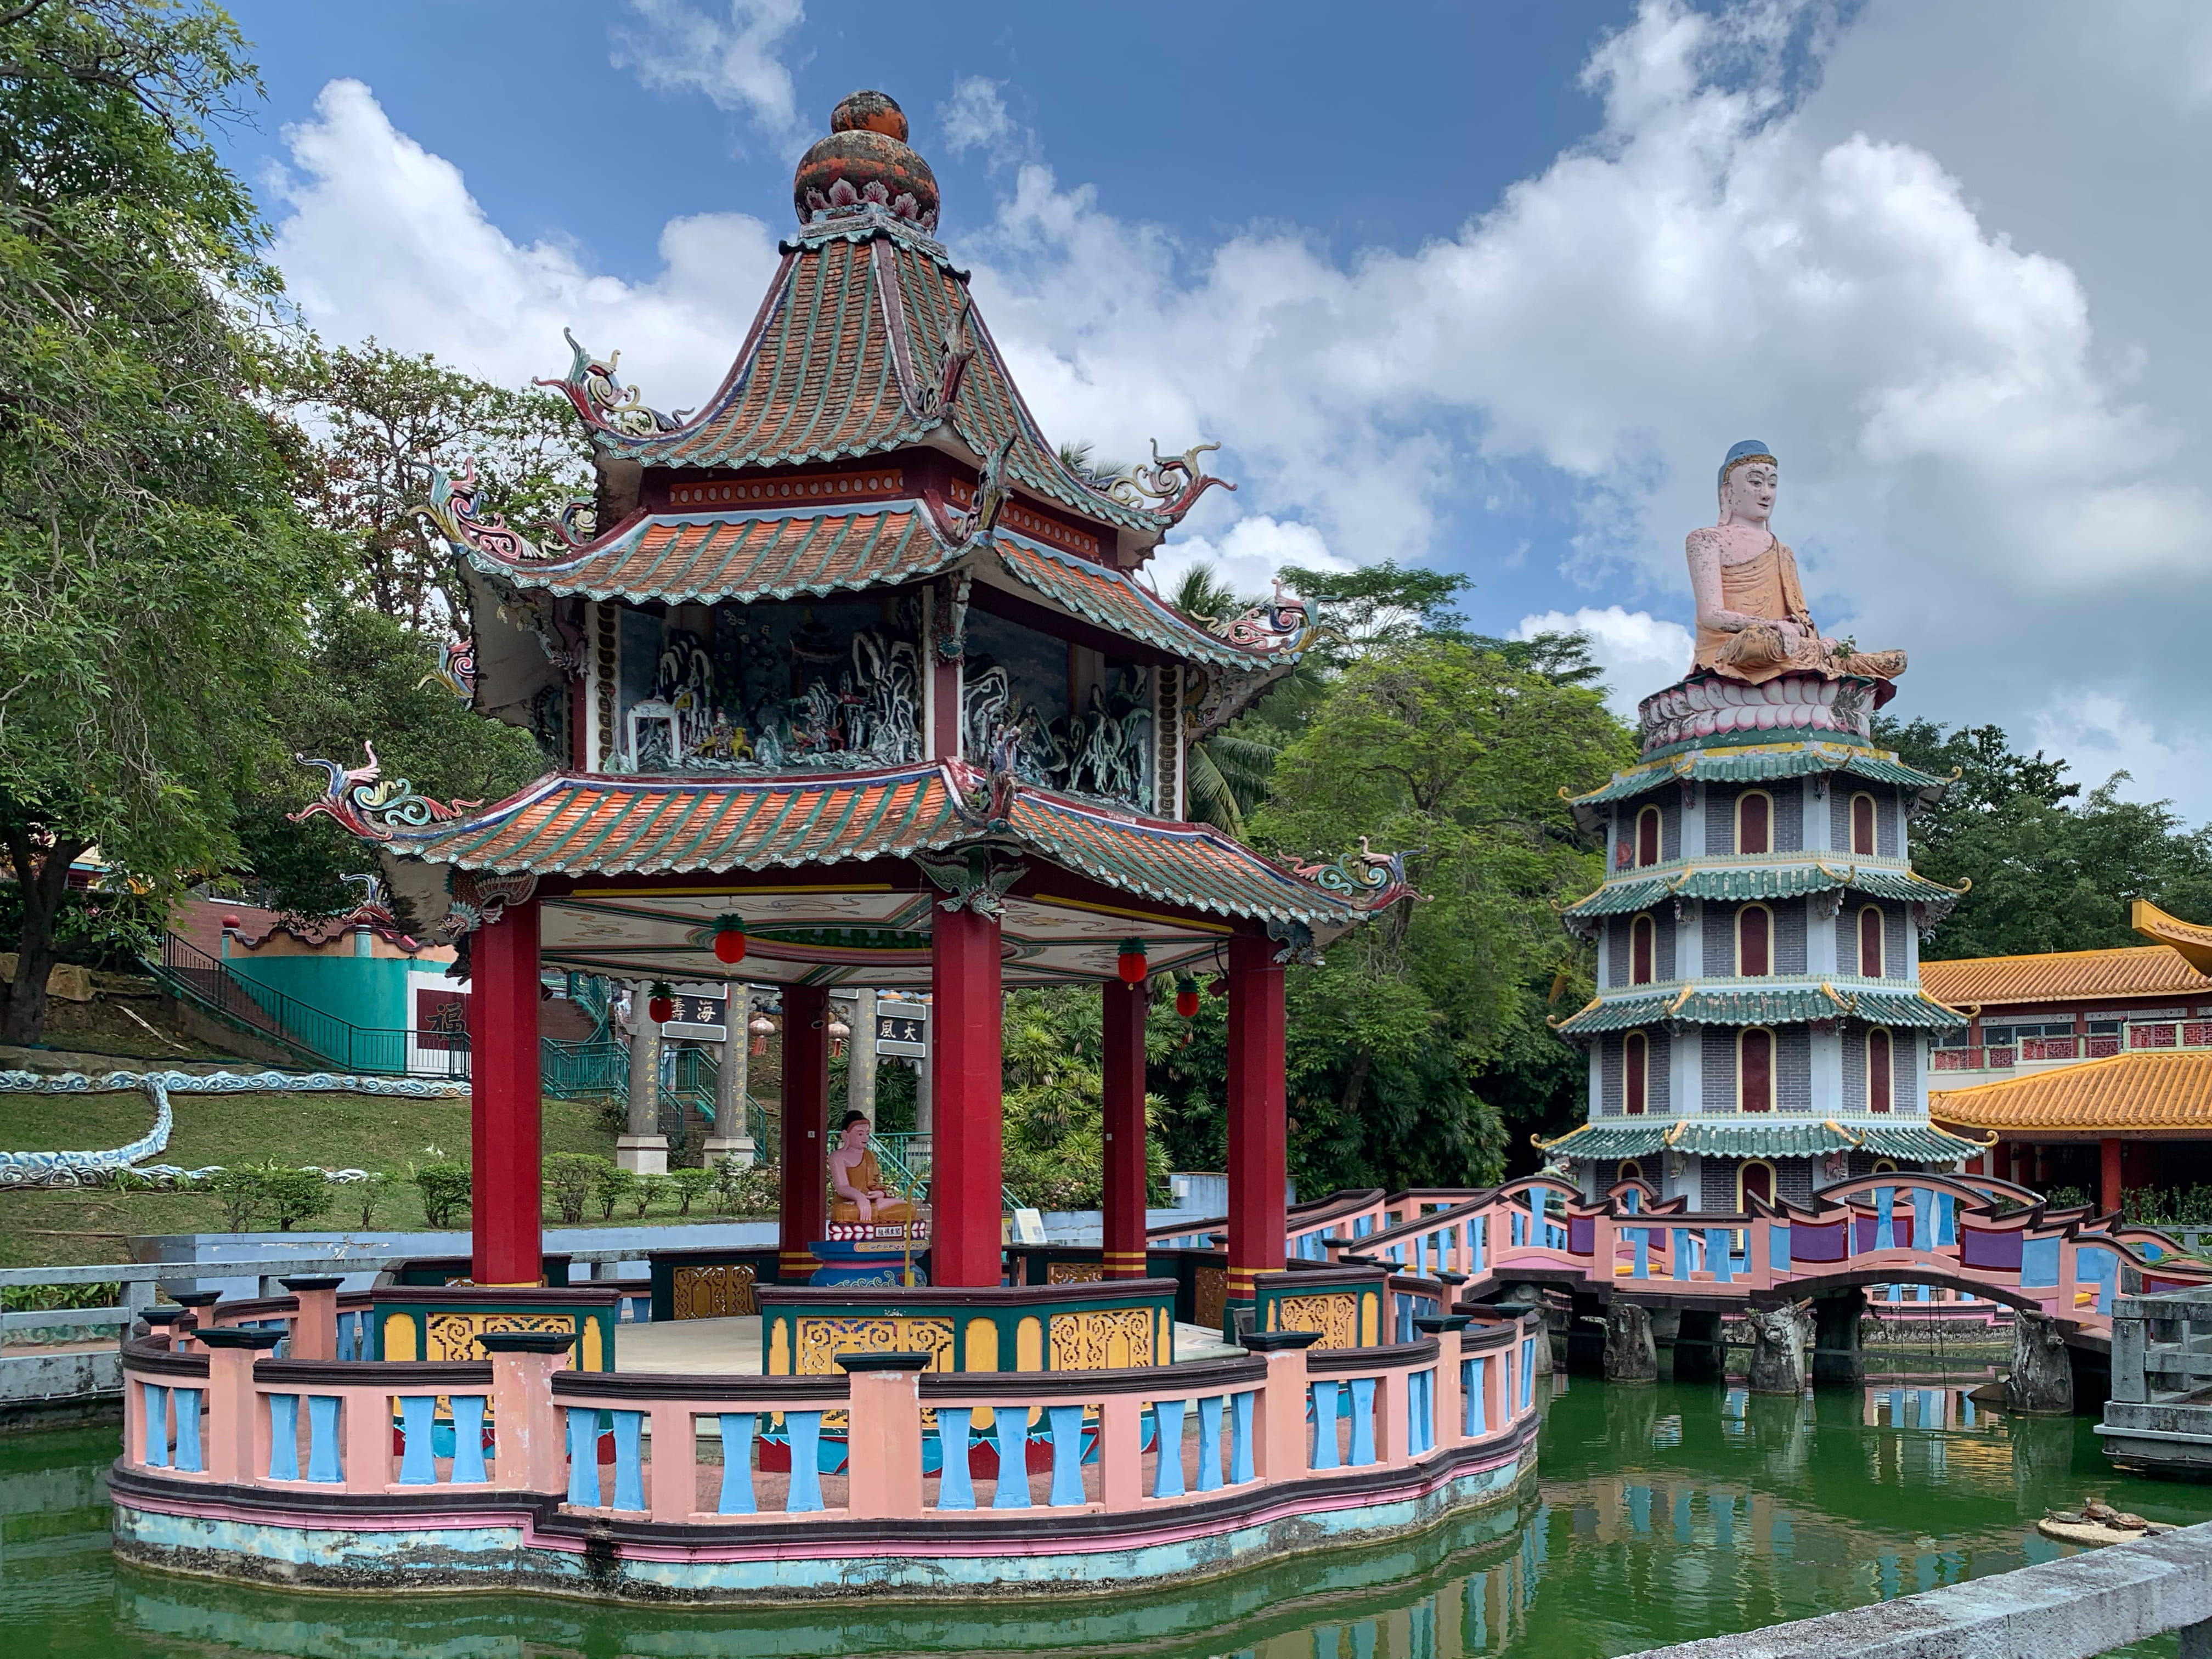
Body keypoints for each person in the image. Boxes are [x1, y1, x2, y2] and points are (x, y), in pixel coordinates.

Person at [1687, 441, 1905, 685]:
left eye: (1772, 484)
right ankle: (1819, 660)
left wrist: (1811, 638)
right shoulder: (1706, 540)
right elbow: (1711, 616)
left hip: (1790, 645)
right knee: (1760, 641)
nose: (1766, 493)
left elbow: (1800, 620)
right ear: (1728, 491)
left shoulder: (1784, 552)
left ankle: (1830, 658)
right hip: (1737, 647)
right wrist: (1773, 626)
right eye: (1756, 482)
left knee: (1893, 659)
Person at [828, 1110, 916, 1224]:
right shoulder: (838, 1156)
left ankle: (875, 1210)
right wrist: (859, 1198)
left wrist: (880, 1194)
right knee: (842, 1212)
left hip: (872, 1201)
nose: (865, 1138)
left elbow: (874, 1185)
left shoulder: (869, 1155)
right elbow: (842, 1187)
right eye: (860, 1134)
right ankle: (877, 1211)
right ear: (845, 1135)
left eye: (867, 1133)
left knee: (910, 1208)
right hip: (849, 1203)